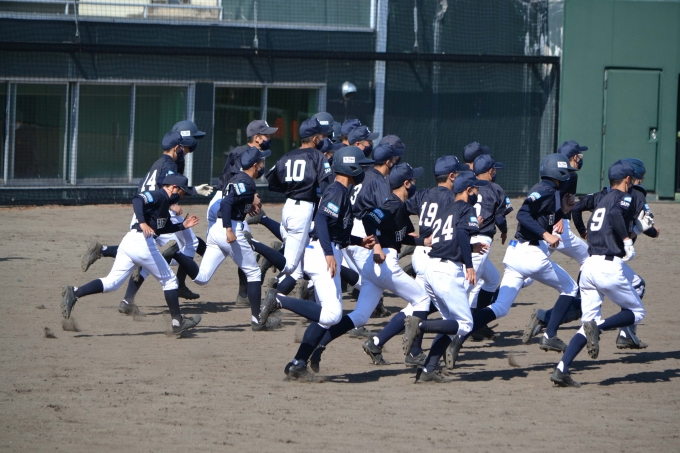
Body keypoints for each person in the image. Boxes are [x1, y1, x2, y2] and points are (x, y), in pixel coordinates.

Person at [446, 153, 580, 369]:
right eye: (568, 172)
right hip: (531, 253)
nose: (570, 176)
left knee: (501, 307)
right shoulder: (545, 190)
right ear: (560, 173)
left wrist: (563, 210)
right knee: (570, 288)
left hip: (516, 254)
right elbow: (523, 214)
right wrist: (546, 235)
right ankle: (550, 334)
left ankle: (458, 339)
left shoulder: (552, 191)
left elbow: (542, 217)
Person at [258, 146, 375, 380]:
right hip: (322, 254)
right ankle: (278, 299)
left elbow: (336, 231)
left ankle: (298, 363)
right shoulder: (337, 191)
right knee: (332, 315)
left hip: (325, 251)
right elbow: (321, 219)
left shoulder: (341, 191)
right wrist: (329, 253)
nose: (363, 170)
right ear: (351, 168)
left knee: (325, 319)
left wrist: (359, 241)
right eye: (360, 166)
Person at [308, 163, 432, 372]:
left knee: (360, 316)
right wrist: (376, 246)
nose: (414, 184)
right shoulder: (392, 205)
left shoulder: (399, 207)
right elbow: (368, 218)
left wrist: (425, 242)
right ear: (406, 183)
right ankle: (415, 353)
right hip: (384, 264)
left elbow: (403, 237)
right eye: (413, 180)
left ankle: (320, 344)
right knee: (422, 299)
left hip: (372, 269)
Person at [61, 174, 202, 335]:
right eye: (182, 192)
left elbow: (162, 228)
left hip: (129, 242)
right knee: (170, 281)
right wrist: (142, 223)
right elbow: (137, 199)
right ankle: (177, 322)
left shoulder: (165, 201)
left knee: (112, 283)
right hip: (142, 243)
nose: (182, 196)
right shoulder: (159, 195)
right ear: (173, 187)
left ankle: (75, 292)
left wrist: (182, 225)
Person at [550, 160, 646, 387]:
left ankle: (561, 369)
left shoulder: (601, 200)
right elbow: (616, 214)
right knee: (636, 312)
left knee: (587, 322)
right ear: (627, 180)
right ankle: (600, 328)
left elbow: (602, 217)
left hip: (589, 266)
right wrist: (628, 239)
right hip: (608, 267)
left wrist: (635, 229)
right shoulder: (622, 198)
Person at [402, 171, 486, 382]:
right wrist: (469, 265)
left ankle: (428, 370)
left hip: (431, 268)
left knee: (450, 324)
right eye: (475, 190)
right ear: (468, 190)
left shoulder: (446, 210)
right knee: (465, 325)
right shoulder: (466, 208)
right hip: (447, 272)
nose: (477, 193)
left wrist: (470, 248)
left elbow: (447, 240)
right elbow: (462, 233)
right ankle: (420, 325)